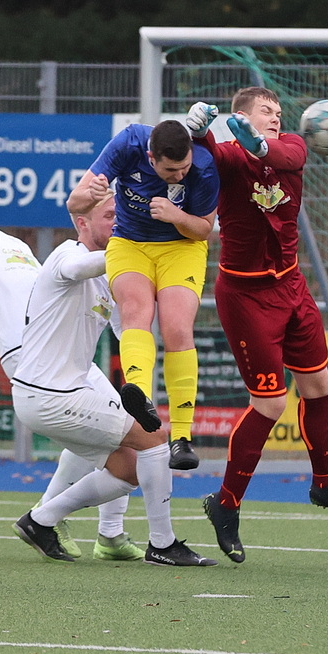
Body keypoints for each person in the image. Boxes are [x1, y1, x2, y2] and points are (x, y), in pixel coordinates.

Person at [182, 88, 328, 566]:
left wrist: (262, 143)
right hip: (245, 296)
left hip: (291, 287)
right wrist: (197, 133)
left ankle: (325, 483)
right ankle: (225, 504)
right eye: (265, 112)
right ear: (240, 117)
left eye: (279, 113)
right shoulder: (230, 156)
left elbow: (288, 155)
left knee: (319, 384)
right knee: (270, 403)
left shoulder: (290, 146)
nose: (275, 118)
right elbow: (204, 158)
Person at [0, 158, 141, 561]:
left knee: (112, 431)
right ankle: (57, 519)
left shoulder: (14, 243)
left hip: (62, 348)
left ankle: (102, 533)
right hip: (29, 354)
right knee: (123, 435)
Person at [10, 191, 215, 567]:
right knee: (155, 439)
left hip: (53, 396)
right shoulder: (66, 256)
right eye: (109, 216)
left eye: (121, 215)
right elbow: (78, 269)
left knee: (127, 467)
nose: (118, 222)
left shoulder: (112, 275)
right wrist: (133, 249)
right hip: (52, 395)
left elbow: (130, 331)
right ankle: (163, 544)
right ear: (82, 223)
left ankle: (41, 520)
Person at [69, 120, 220, 471]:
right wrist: (92, 194)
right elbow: (74, 202)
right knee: (135, 312)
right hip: (130, 243)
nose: (179, 175)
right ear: (151, 157)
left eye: (183, 168)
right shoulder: (129, 143)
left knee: (177, 328)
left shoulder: (204, 165)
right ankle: (140, 399)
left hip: (182, 247)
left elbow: (203, 229)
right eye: (170, 171)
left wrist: (176, 215)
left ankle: (181, 438)